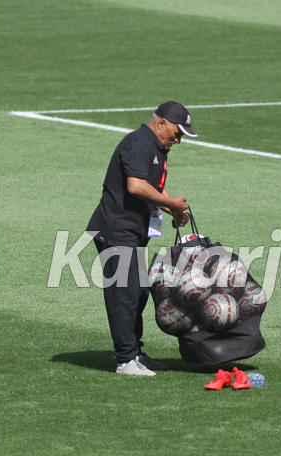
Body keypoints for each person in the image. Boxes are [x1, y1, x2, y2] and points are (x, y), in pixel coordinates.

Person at [86, 101, 197, 376]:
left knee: (137, 293)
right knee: (125, 294)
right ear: (161, 124)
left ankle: (134, 352)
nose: (179, 139)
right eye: (178, 132)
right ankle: (125, 360)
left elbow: (151, 186)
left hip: (129, 232)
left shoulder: (156, 147)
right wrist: (172, 203)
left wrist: (171, 206)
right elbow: (136, 186)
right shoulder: (140, 144)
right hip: (115, 232)